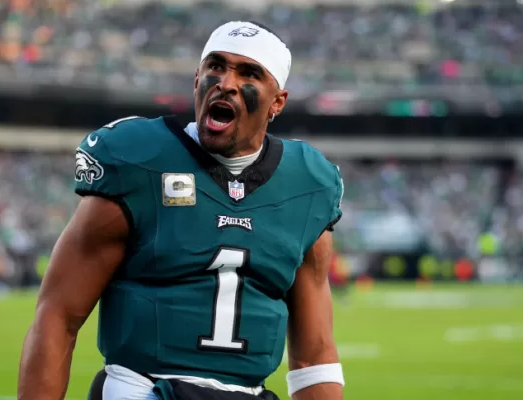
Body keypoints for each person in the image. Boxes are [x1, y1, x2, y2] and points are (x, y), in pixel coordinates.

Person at [17, 20, 345, 400]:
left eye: (249, 73)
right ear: (196, 80)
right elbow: (58, 316)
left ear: (278, 102)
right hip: (142, 389)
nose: (226, 82)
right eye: (216, 66)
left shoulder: (307, 185)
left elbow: (313, 355)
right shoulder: (140, 160)